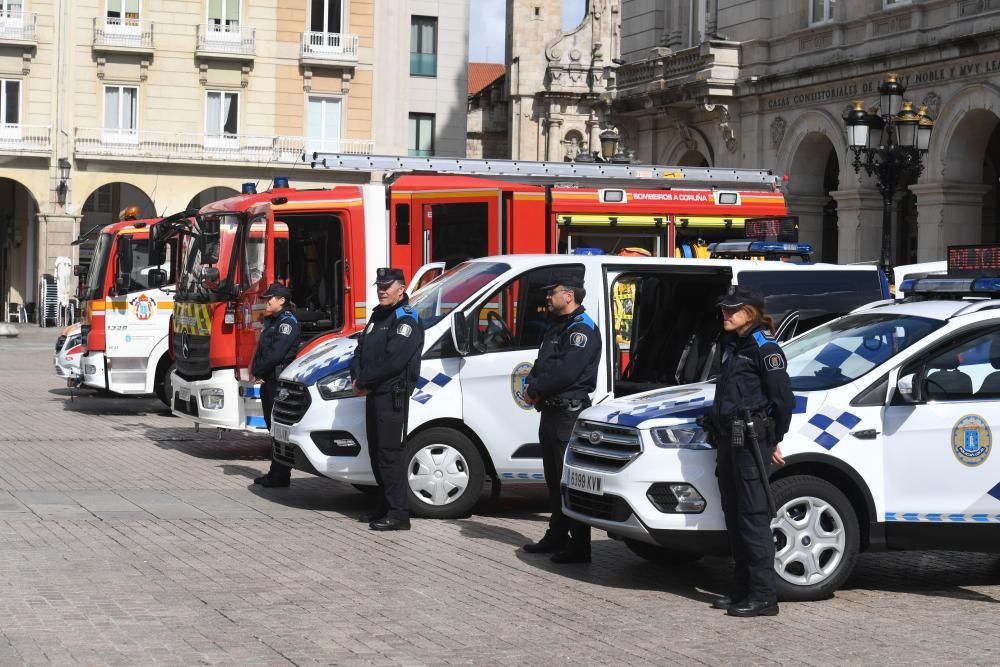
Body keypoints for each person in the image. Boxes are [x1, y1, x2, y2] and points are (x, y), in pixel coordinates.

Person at [705, 286, 794, 617]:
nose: (726, 314)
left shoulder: (764, 348)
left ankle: (763, 596)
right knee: (734, 516)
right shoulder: (733, 344)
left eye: (733, 310)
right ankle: (741, 588)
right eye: (725, 309)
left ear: (752, 312)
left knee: (753, 519)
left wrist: (773, 437)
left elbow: (783, 400)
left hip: (752, 440)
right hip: (730, 438)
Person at [522, 273, 602, 564]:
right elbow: (544, 364)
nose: (547, 297)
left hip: (568, 413)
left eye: (551, 292)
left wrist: (536, 388)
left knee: (571, 481)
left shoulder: (582, 330)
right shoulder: (558, 326)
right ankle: (557, 535)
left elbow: (566, 372)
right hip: (552, 411)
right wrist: (532, 384)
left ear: (569, 295)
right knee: (554, 479)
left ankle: (580, 546)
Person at [351, 267, 424, 531]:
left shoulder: (406, 319)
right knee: (376, 455)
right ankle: (384, 506)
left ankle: (399, 513)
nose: (381, 291)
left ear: (401, 288)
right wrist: (358, 377)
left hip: (392, 397)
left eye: (387, 286)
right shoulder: (378, 316)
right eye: (379, 286)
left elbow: (393, 361)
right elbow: (360, 351)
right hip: (373, 394)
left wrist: (363, 381)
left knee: (390, 456)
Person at [252, 282, 301, 488]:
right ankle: (276, 472)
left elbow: (277, 354)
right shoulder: (273, 321)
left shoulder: (287, 323)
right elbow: (263, 350)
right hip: (270, 380)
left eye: (270, 299)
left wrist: (260, 370)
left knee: (279, 429)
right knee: (273, 428)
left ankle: (280, 474)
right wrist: (258, 369)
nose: (267, 302)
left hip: (278, 383)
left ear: (281, 300)